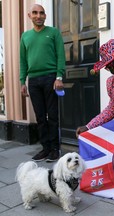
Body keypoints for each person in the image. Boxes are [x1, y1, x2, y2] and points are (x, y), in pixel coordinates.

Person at [19, 4, 66, 162]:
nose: (38, 16)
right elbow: (23, 61)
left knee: (52, 116)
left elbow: (60, 55)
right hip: (33, 81)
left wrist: (59, 77)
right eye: (35, 13)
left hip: (50, 78)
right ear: (29, 15)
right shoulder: (25, 36)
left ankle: (55, 149)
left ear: (45, 16)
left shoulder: (53, 33)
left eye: (41, 13)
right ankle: (45, 148)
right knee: (40, 116)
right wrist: (22, 81)